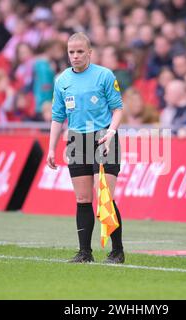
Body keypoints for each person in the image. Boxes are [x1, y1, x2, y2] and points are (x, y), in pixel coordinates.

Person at [47, 32, 125, 264]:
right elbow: (57, 117)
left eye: (80, 51)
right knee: (82, 198)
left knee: (104, 197)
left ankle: (117, 251)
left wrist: (111, 133)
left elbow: (118, 108)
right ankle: (85, 253)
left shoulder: (104, 75)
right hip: (76, 140)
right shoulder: (62, 81)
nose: (75, 56)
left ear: (89, 52)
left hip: (103, 138)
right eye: (71, 52)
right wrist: (51, 148)